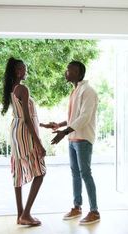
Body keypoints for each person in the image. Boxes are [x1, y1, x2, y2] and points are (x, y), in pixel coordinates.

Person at [40, 61, 100, 225]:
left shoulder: (88, 91)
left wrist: (63, 133)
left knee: (85, 174)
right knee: (75, 174)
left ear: (79, 73)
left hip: (83, 139)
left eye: (69, 70)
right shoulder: (76, 91)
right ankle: (77, 206)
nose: (66, 72)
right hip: (73, 138)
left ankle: (94, 211)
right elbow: (75, 117)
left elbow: (84, 117)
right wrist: (59, 125)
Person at [1, 57, 46, 226]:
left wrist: (41, 124)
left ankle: (20, 214)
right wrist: (40, 144)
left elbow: (25, 117)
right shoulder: (23, 89)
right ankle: (26, 214)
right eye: (23, 69)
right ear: (17, 71)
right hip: (24, 132)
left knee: (18, 172)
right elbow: (27, 118)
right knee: (40, 173)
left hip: (15, 131)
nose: (25, 71)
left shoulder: (12, 89)